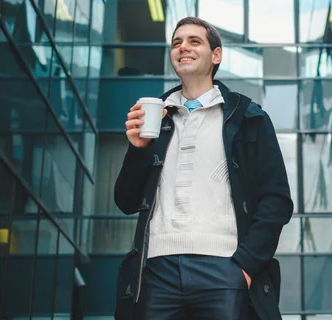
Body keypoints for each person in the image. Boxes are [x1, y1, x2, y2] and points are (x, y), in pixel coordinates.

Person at [113, 17, 293, 320]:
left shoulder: (247, 117)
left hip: (224, 267)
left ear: (216, 55)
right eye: (176, 42)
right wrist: (137, 150)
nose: (183, 46)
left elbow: (276, 200)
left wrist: (244, 268)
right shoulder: (155, 117)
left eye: (194, 41)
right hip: (158, 270)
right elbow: (126, 201)